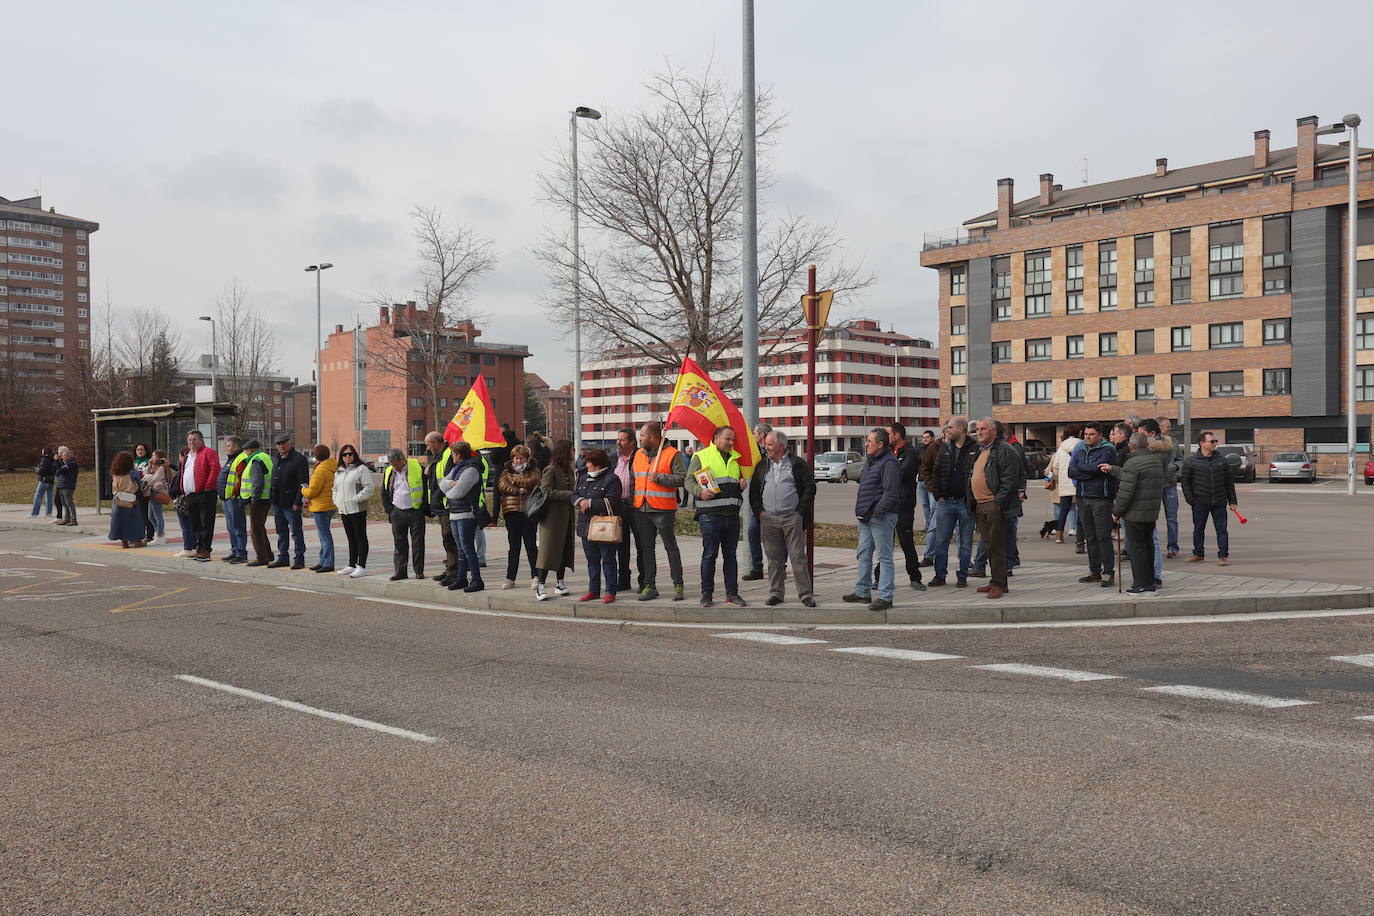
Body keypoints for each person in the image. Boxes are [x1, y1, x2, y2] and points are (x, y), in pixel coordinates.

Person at [749, 430, 816, 608]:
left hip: (791, 518)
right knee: (774, 559)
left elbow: (810, 488)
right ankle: (776, 593)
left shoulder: (797, 464)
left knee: (797, 557)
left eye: (770, 444)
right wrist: (760, 512)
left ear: (781, 445)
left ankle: (805, 595)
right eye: (766, 444)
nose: (766, 447)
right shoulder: (762, 465)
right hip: (768, 519)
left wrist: (799, 512)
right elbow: (754, 491)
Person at [686, 425, 748, 609]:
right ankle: (707, 594)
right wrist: (700, 491)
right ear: (716, 438)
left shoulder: (736, 459)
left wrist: (742, 483)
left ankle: (732, 593)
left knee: (731, 556)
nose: (731, 443)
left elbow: (735, 482)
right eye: (728, 439)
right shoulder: (702, 456)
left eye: (732, 439)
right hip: (710, 516)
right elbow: (688, 480)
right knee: (709, 556)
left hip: (732, 516)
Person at [842, 427, 901, 610]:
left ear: (880, 444)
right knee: (863, 554)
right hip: (866, 516)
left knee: (884, 557)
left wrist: (876, 512)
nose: (866, 444)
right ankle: (862, 592)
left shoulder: (889, 463)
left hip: (880, 517)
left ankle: (885, 596)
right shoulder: (871, 460)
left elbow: (891, 493)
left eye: (869, 441)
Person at [965, 418, 1022, 600]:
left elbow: (1010, 479)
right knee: (989, 545)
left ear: (994, 431)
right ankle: (998, 581)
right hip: (981, 505)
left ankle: (998, 584)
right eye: (978, 429)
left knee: (997, 546)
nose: (979, 432)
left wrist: (998, 503)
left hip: (995, 505)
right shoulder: (982, 450)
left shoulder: (1005, 450)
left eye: (983, 429)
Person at [631, 421, 687, 601]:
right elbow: (634, 479)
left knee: (671, 547)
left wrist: (660, 478)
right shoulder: (638, 454)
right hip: (642, 508)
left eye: (642, 436)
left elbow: (682, 479)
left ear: (652, 438)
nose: (640, 439)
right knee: (646, 549)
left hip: (663, 509)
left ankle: (678, 585)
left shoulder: (673, 454)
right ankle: (650, 586)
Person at [927, 418, 978, 587]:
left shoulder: (974, 448)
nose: (947, 430)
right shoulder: (945, 449)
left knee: (965, 542)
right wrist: (938, 495)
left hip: (965, 503)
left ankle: (962, 575)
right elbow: (935, 472)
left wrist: (972, 498)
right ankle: (940, 575)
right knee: (941, 541)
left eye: (950, 427)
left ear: (961, 429)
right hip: (945, 502)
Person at [1068, 422, 1120, 587]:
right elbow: (1071, 471)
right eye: (1086, 434)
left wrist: (1084, 470)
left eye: (1091, 434)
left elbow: (1098, 469)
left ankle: (1108, 572)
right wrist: (1089, 470)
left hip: (1101, 498)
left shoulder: (1108, 450)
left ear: (1100, 435)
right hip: (1082, 497)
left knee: (1103, 536)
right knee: (1090, 537)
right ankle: (1094, 571)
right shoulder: (1080, 449)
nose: (1088, 437)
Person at [1112, 432, 1164, 595]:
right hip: (1150, 512)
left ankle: (1142, 584)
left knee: (1137, 549)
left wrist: (1116, 512)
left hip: (1135, 513)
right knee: (1148, 547)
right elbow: (1135, 478)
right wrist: (1113, 469)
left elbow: (1126, 491)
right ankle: (1150, 582)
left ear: (1132, 446)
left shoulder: (1132, 462)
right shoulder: (1154, 461)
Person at [573, 447, 624, 603]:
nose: (586, 465)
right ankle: (593, 590)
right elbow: (574, 494)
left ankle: (610, 591)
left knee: (608, 559)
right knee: (592, 560)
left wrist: (591, 503)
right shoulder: (583, 478)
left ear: (598, 464)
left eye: (589, 462)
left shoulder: (611, 479)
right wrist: (580, 501)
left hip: (604, 527)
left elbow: (613, 501)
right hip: (586, 527)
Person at [1180, 430, 1238, 566]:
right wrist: (1191, 500)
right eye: (1211, 441)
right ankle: (1198, 554)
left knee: (1222, 530)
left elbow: (1229, 482)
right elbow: (1185, 483)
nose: (1214, 444)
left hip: (1219, 501)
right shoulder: (1191, 461)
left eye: (1215, 441)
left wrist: (1232, 501)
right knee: (1198, 528)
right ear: (1202, 443)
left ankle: (1223, 556)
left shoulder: (1222, 461)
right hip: (1200, 501)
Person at [439, 440, 486, 593]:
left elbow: (459, 492)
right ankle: (461, 578)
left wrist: (450, 488)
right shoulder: (458, 468)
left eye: (452, 453)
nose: (451, 456)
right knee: (460, 548)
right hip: (455, 514)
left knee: (467, 548)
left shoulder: (471, 470)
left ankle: (477, 580)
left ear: (458, 455)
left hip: (467, 514)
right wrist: (452, 484)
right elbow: (442, 484)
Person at [885, 422, 926, 592]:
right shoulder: (886, 452)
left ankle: (915, 577)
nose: (885, 437)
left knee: (906, 542)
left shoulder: (910, 452)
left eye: (888, 434)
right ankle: (879, 578)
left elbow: (901, 474)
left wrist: (885, 472)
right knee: (885, 543)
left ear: (897, 435)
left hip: (904, 504)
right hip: (887, 504)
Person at [534, 439, 577, 600]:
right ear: (565, 452)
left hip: (566, 517)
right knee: (547, 551)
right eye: (571, 450)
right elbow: (546, 491)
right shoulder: (550, 469)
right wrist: (570, 495)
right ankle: (540, 585)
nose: (574, 453)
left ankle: (560, 582)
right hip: (551, 519)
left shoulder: (570, 470)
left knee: (564, 549)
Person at [497, 444, 541, 589]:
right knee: (513, 546)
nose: (517, 461)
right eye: (515, 458)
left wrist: (515, 482)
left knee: (530, 545)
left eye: (521, 458)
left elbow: (533, 482)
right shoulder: (505, 472)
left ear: (527, 459)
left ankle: (536, 576)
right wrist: (518, 490)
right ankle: (510, 578)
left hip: (529, 512)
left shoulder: (534, 470)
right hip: (512, 512)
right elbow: (503, 485)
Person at [382, 447, 427, 581]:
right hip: (397, 512)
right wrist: (389, 509)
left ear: (403, 460)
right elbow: (384, 492)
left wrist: (423, 508)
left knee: (418, 543)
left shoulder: (417, 467)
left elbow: (426, 488)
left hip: (415, 511)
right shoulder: (389, 471)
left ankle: (419, 571)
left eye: (397, 464)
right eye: (392, 465)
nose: (395, 467)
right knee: (399, 543)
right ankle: (400, 571)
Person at [331, 444, 374, 578]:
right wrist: (336, 500)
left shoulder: (361, 469)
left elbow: (369, 487)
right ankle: (351, 564)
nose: (347, 457)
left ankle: (361, 566)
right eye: (344, 454)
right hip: (344, 509)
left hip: (357, 508)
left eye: (350, 454)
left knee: (360, 537)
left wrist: (357, 499)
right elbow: (335, 488)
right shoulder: (339, 471)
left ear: (354, 455)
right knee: (351, 538)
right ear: (341, 457)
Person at [423, 432, 459, 587]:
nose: (427, 447)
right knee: (447, 539)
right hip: (441, 506)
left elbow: (447, 480)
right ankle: (450, 569)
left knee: (450, 539)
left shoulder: (447, 456)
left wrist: (436, 498)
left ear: (437, 443)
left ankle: (453, 572)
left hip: (447, 505)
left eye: (428, 444)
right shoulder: (439, 457)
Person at [267, 434, 309, 569]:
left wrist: (298, 501)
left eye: (283, 443)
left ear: (290, 443)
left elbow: (303, 483)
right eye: (278, 444)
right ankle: (283, 557)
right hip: (277, 501)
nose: (281, 446)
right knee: (281, 531)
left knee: (296, 531)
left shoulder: (299, 459)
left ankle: (299, 559)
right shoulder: (277, 458)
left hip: (291, 503)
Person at [180, 430, 221, 562]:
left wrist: (207, 486)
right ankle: (199, 548)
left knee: (206, 523)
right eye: (190, 440)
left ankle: (205, 550)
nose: (192, 442)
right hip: (190, 494)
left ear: (201, 440)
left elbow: (215, 469)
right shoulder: (188, 456)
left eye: (195, 439)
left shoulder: (208, 452)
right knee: (195, 523)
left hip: (205, 493)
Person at [610, 428, 641, 593]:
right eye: (618, 439)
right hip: (618, 506)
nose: (618, 443)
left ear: (632, 443)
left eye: (622, 440)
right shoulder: (613, 459)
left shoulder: (639, 457)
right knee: (621, 545)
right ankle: (623, 580)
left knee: (641, 545)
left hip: (635, 505)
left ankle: (644, 581)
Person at [742, 421, 772, 582]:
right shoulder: (754, 453)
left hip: (774, 503)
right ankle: (757, 568)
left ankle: (780, 566)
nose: (752, 436)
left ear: (762, 435)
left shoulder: (773, 452)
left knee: (776, 537)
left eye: (754, 432)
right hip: (758, 503)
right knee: (752, 533)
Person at [301, 444, 338, 573]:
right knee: (324, 534)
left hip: (320, 506)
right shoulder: (332, 466)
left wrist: (303, 490)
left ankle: (328, 562)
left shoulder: (320, 470)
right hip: (329, 504)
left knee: (324, 535)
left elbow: (312, 491)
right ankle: (323, 560)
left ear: (316, 456)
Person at [241, 440, 275, 567]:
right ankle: (268, 554)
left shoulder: (255, 460)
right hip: (266, 498)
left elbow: (257, 482)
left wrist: (254, 498)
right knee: (260, 528)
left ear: (250, 450)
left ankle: (261, 557)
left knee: (255, 530)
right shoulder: (265, 457)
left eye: (245, 450)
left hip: (258, 499)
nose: (245, 453)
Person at [1049, 424, 1083, 548]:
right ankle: (1081, 536)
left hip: (1065, 483)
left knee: (1064, 509)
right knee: (1082, 510)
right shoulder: (1082, 445)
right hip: (1079, 482)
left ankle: (1059, 536)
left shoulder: (1061, 448)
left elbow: (1056, 466)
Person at [219, 436, 248, 563]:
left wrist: (234, 493)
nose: (226, 447)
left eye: (228, 446)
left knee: (238, 526)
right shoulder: (232, 459)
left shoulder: (241, 458)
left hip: (234, 499)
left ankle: (241, 553)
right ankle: (235, 550)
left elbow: (241, 479)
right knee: (231, 527)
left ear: (236, 447)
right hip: (227, 499)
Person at [108, 451, 146, 549]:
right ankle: (137, 541)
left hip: (117, 499)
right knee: (134, 521)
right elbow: (138, 484)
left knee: (120, 521)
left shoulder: (115, 473)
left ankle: (124, 543)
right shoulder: (133, 473)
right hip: (131, 499)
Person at [1158, 417, 1183, 559]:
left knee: (1172, 518)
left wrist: (1175, 467)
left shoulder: (1174, 442)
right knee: (1151, 518)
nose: (1170, 428)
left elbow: (1181, 459)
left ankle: (1173, 547)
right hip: (1153, 485)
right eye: (1167, 426)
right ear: (1159, 427)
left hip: (1170, 485)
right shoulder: (1151, 442)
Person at [916, 429, 938, 566]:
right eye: (923, 437)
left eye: (927, 437)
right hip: (921, 481)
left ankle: (931, 526)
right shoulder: (919, 450)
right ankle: (928, 524)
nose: (925, 439)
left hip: (931, 484)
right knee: (925, 505)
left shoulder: (936, 448)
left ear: (932, 438)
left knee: (932, 505)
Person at [169, 446, 195, 554]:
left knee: (186, 525)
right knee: (192, 525)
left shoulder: (184, 469)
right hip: (190, 498)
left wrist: (173, 495)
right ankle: (193, 546)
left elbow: (177, 484)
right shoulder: (187, 467)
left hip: (182, 499)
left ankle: (188, 548)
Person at [144, 450, 172, 546]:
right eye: (152, 455)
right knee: (150, 516)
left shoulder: (162, 468)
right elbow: (145, 475)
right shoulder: (153, 467)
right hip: (152, 492)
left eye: (154, 456)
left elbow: (153, 480)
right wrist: (149, 466)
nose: (152, 458)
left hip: (158, 492)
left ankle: (160, 536)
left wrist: (148, 477)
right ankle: (160, 534)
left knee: (157, 515)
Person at [32, 446, 55, 518]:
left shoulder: (45, 459)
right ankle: (48, 513)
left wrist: (37, 470)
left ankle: (35, 513)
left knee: (38, 496)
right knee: (49, 496)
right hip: (51, 480)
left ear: (45, 452)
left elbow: (42, 471)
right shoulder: (54, 459)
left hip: (44, 480)